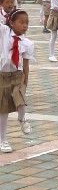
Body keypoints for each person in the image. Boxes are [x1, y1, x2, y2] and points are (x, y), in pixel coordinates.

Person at [0, 10, 34, 151]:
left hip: (18, 75)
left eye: (27, 23)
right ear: (12, 23)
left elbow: (26, 64)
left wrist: (25, 81)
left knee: (21, 101)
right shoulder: (4, 33)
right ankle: (3, 140)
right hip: (3, 76)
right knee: (3, 110)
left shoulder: (28, 43)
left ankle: (22, 118)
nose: (25, 25)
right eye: (21, 22)